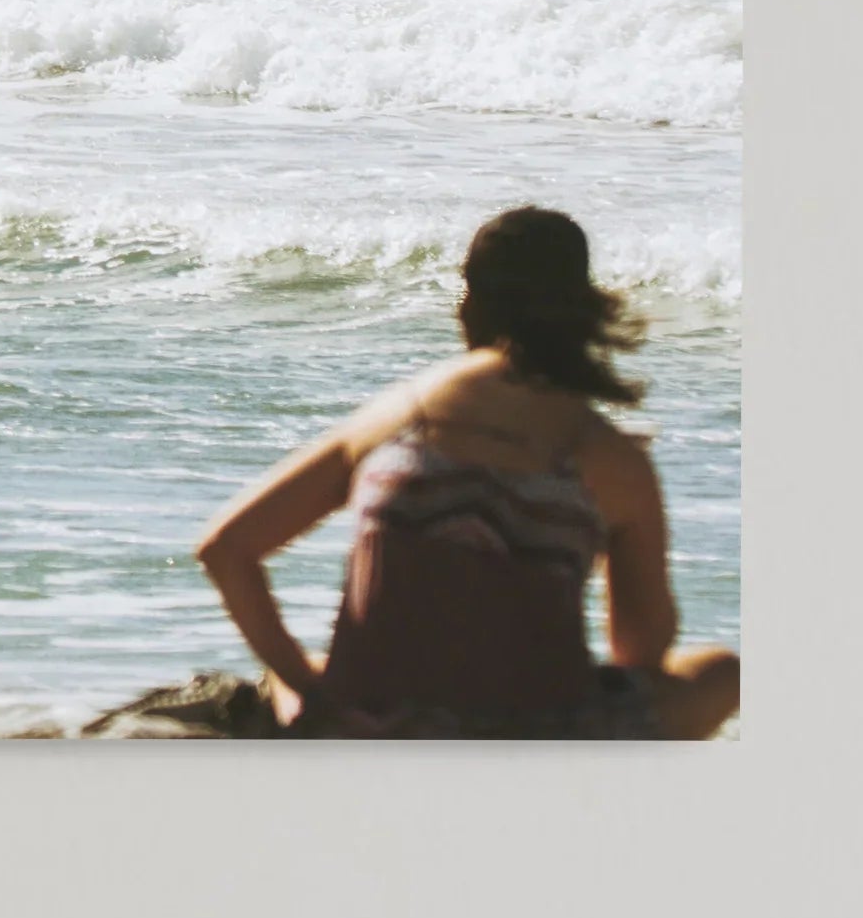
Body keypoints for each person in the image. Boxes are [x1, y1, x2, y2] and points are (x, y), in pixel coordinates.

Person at [193, 205, 737, 738]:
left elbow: (225, 547)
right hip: (539, 733)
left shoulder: (403, 414)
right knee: (723, 673)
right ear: (582, 307)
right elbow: (640, 651)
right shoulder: (607, 454)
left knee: (297, 671)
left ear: (470, 299)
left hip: (372, 723)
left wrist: (312, 690)